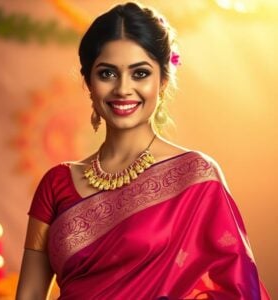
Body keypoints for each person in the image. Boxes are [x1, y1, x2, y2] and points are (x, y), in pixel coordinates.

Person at [16, 2, 270, 299]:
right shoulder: (56, 184)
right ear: (88, 82)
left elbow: (237, 288)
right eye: (107, 73)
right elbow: (30, 293)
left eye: (140, 74)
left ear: (163, 81)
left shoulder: (195, 177)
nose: (123, 89)